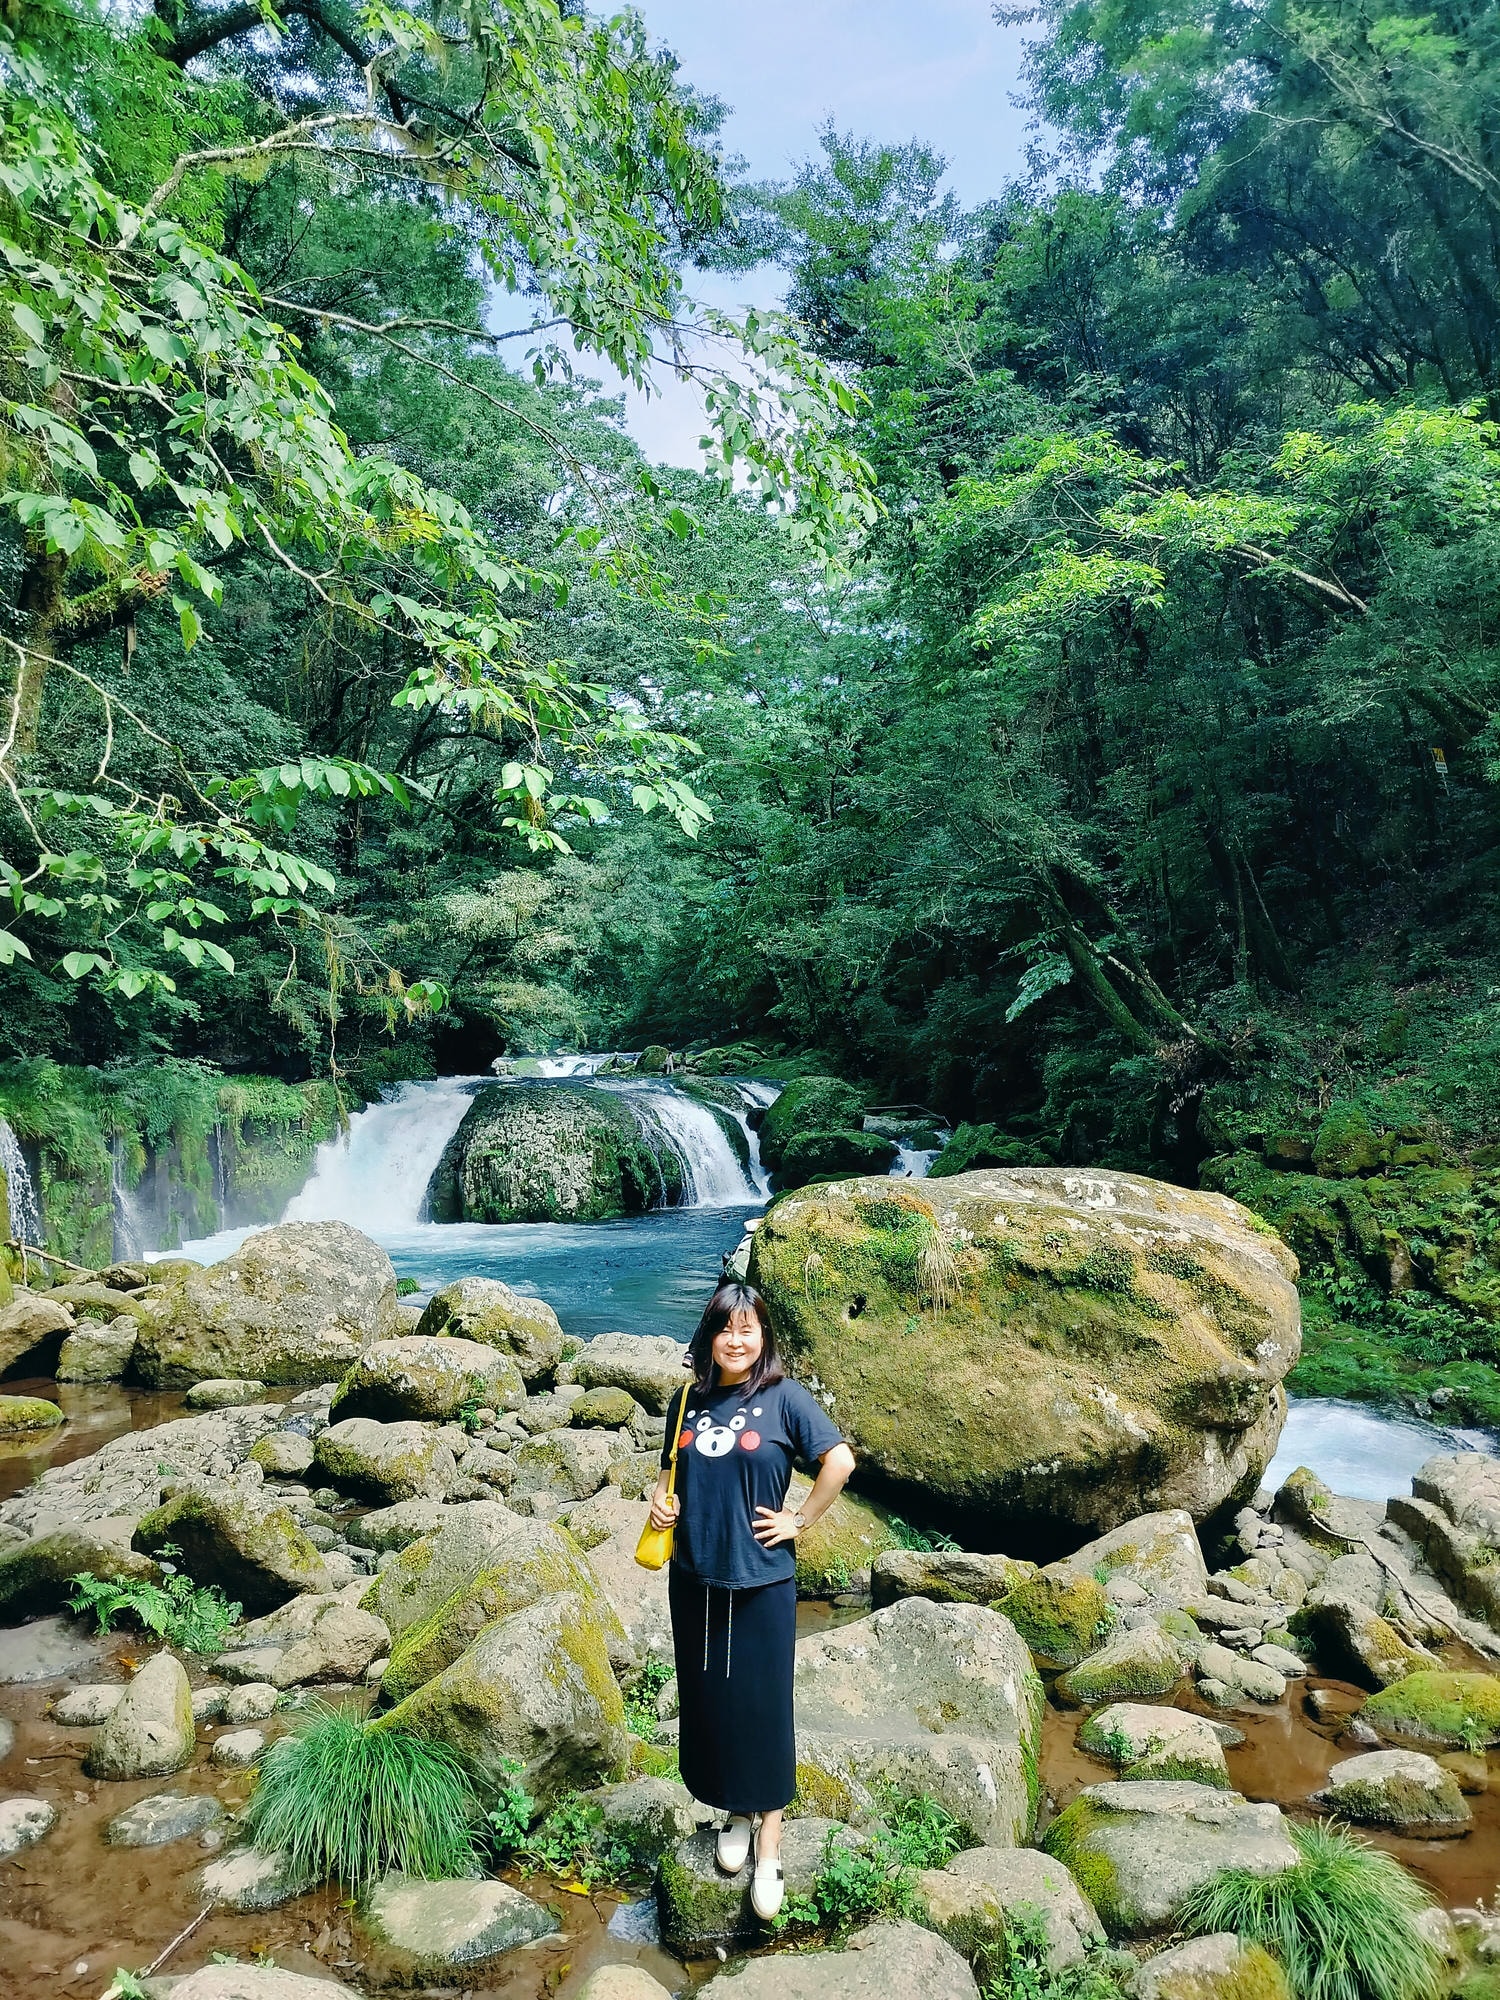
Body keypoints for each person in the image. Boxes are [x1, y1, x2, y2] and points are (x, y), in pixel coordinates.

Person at [647, 1279, 855, 1920]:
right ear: (709, 1336)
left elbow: (839, 1461)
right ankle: (735, 1814)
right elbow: (667, 1478)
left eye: (748, 1329)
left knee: (763, 1712)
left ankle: (770, 1845)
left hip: (762, 1580)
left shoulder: (785, 1398)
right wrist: (660, 1505)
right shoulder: (688, 1399)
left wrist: (801, 1520)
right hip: (696, 1576)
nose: (736, 1341)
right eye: (725, 1329)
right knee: (713, 1702)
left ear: (762, 1336)